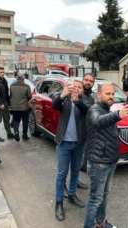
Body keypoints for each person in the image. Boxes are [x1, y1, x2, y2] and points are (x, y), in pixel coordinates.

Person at [83, 83, 128, 228]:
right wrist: (118, 115)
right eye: (108, 94)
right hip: (99, 162)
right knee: (95, 199)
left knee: (104, 196)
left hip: (110, 160)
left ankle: (100, 223)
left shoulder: (107, 109)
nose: (111, 96)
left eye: (112, 94)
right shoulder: (94, 110)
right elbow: (97, 122)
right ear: (99, 94)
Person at [52, 80, 88, 221]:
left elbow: (87, 111)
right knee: (62, 174)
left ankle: (72, 195)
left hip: (78, 144)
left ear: (82, 90)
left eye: (79, 87)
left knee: (75, 171)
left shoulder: (85, 101)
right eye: (74, 86)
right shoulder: (64, 100)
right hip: (64, 143)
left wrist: (77, 101)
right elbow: (54, 105)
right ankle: (59, 202)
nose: (76, 89)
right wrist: (62, 95)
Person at [9, 75, 32, 141]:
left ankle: (16, 133)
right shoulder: (26, 86)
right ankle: (24, 135)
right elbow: (29, 96)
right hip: (24, 107)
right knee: (25, 121)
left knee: (16, 121)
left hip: (15, 107)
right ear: (23, 79)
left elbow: (10, 95)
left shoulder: (12, 85)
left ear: (17, 79)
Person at [0, 66, 13, 140]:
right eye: (1, 72)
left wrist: (9, 103)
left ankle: (9, 133)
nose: (3, 73)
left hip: (5, 104)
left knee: (7, 119)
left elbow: (6, 93)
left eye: (3, 72)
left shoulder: (4, 80)